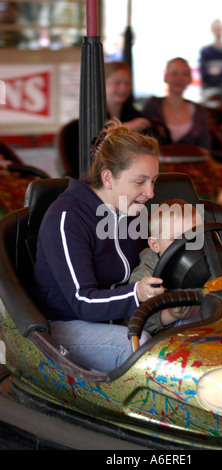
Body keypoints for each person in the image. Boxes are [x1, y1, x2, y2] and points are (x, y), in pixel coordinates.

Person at [32, 120, 167, 373]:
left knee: (197, 320)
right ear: (108, 178)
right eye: (140, 182)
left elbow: (150, 258)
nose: (150, 192)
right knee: (139, 348)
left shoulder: (132, 211)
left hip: (121, 317)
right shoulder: (67, 217)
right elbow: (83, 301)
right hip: (65, 324)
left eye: (154, 181)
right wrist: (137, 293)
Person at [129, 199, 222, 335]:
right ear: (155, 245)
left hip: (214, 319)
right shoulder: (146, 275)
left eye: (193, 238)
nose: (185, 247)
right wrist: (168, 315)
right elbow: (134, 320)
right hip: (173, 336)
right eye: (176, 240)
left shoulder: (207, 258)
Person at [143, 57, 211, 148]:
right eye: (174, 73)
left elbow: (206, 148)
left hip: (192, 161)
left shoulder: (199, 111)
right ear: (166, 77)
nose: (180, 78)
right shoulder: (152, 106)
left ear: (190, 79)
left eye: (185, 74)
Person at [105, 61, 151, 132]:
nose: (123, 88)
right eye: (117, 83)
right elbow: (94, 136)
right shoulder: (92, 113)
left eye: (127, 83)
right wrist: (126, 126)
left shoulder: (134, 115)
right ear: (103, 84)